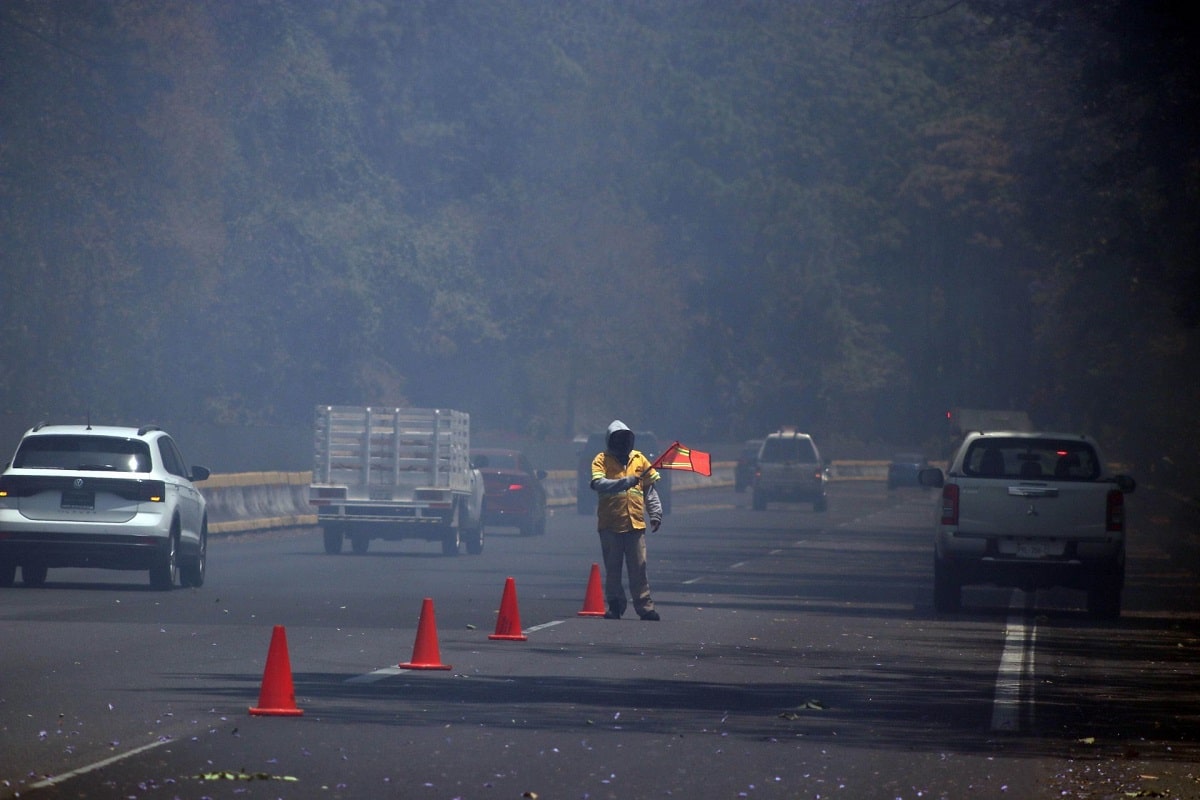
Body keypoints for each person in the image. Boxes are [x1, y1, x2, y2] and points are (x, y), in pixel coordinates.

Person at [590, 420, 663, 620]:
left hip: (635, 524)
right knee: (613, 570)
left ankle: (645, 607)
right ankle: (615, 605)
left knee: (639, 568)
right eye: (618, 440)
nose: (622, 444)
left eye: (625, 439)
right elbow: (599, 483)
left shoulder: (639, 460)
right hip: (610, 524)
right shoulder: (601, 460)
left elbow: (649, 491)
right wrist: (625, 482)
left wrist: (655, 514)